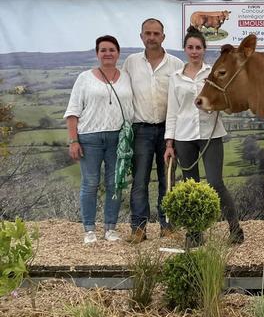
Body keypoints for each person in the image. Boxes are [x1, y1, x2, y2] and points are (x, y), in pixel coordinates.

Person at [164, 27, 245, 245]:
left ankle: (235, 228)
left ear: (204, 50)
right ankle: (195, 233)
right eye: (190, 47)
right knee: (192, 185)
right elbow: (172, 111)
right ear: (185, 49)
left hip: (211, 133)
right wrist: (169, 143)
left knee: (216, 183)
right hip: (183, 136)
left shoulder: (213, 73)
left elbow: (226, 101)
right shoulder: (175, 77)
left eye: (198, 47)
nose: (194, 51)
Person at [64, 35, 133, 244]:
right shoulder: (84, 78)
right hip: (89, 138)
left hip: (117, 139)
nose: (107, 53)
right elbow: (73, 112)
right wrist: (74, 141)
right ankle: (89, 230)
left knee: (115, 183)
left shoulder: (126, 77)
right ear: (97, 54)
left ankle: (110, 228)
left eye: (111, 49)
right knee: (90, 183)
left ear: (118, 53)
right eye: (103, 50)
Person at [123, 18, 184, 243]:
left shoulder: (176, 65)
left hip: (169, 132)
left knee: (167, 180)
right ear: (141, 37)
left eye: (156, 33)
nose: (151, 37)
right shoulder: (131, 62)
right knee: (139, 181)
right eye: (147, 33)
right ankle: (138, 229)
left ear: (163, 37)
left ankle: (167, 227)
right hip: (141, 131)